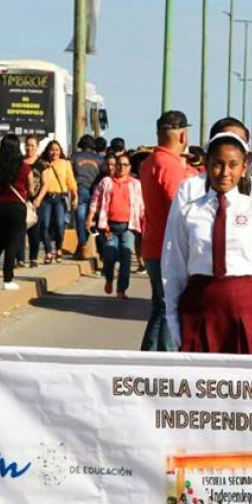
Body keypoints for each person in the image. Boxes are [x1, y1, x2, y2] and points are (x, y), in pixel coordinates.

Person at [162, 132, 252, 354]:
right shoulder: (190, 212)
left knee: (241, 383)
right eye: (217, 164)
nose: (225, 172)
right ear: (206, 165)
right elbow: (173, 266)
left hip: (243, 306)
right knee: (199, 383)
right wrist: (172, 317)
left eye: (233, 165)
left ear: (244, 167)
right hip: (198, 305)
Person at [139, 111, 193, 351]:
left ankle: (148, 360)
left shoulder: (150, 162)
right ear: (182, 135)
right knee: (169, 309)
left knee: (159, 307)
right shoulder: (170, 166)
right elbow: (179, 209)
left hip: (152, 243)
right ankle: (164, 362)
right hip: (168, 248)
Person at [88, 152, 144, 299]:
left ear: (130, 167)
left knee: (126, 257)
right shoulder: (106, 182)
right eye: (118, 164)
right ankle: (108, 279)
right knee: (110, 256)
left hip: (128, 227)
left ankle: (121, 290)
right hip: (109, 227)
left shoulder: (135, 184)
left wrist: (144, 224)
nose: (121, 167)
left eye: (125, 165)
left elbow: (141, 206)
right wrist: (90, 218)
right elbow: (96, 200)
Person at [0, 134, 31, 290]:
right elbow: (30, 187)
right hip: (17, 207)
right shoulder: (24, 167)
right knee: (12, 243)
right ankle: (8, 279)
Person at [30, 139, 78, 262]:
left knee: (60, 225)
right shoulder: (42, 163)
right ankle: (48, 252)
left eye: (56, 150)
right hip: (45, 197)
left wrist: (75, 196)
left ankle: (59, 249)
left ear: (60, 151)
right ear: (48, 151)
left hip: (59, 198)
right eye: (52, 150)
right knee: (44, 225)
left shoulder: (65, 163)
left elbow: (71, 181)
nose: (54, 152)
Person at [71, 133, 103, 259]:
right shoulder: (99, 159)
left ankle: (82, 246)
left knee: (80, 219)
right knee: (90, 221)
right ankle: (82, 246)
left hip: (80, 189)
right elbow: (102, 175)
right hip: (95, 191)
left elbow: (71, 174)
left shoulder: (75, 157)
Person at [20, 134, 43, 267]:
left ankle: (33, 258)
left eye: (32, 145)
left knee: (35, 230)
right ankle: (20, 259)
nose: (29, 148)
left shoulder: (41, 163)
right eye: (27, 145)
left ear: (37, 147)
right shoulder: (19, 162)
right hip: (21, 199)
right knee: (20, 230)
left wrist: (39, 198)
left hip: (36, 201)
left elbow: (45, 183)